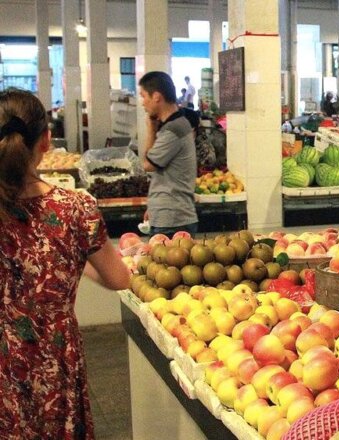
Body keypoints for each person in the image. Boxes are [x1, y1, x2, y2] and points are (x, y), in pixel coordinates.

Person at [0, 89, 130, 438]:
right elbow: (119, 279)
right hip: (53, 354)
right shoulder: (74, 209)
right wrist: (73, 262)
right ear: (45, 141)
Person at [139, 71, 199, 236]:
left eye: (144, 96)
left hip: (173, 219)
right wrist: (154, 207)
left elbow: (148, 165)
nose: (142, 103)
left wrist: (150, 129)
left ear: (156, 97)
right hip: (169, 215)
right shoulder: (175, 125)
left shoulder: (173, 129)